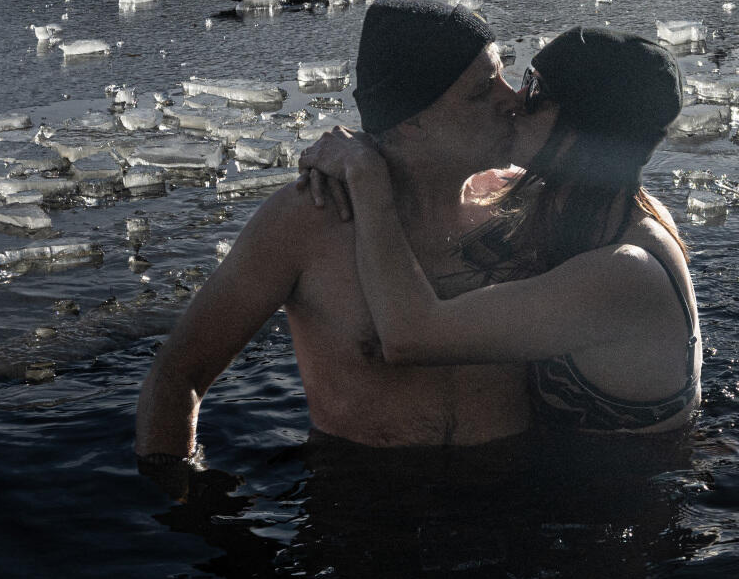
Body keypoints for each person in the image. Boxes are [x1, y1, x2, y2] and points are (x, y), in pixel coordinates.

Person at [133, 0, 529, 474]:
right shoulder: (311, 219)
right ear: (412, 116)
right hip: (359, 500)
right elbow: (179, 375)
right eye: (483, 90)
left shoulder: (528, 206)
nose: (514, 98)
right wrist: (180, 506)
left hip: (511, 493)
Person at [296, 28, 698, 438]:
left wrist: (366, 177)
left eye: (536, 90)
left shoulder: (626, 272)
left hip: (627, 491)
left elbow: (410, 337)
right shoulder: (584, 200)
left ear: (587, 128)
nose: (516, 102)